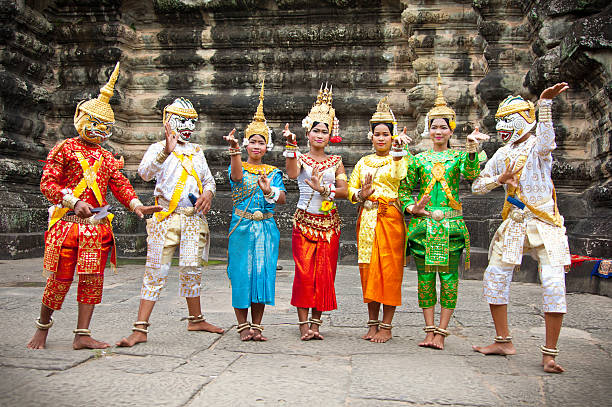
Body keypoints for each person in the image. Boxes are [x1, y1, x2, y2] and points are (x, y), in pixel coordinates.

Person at [27, 62, 161, 350]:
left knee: (91, 281)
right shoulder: (64, 148)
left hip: (95, 229)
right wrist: (73, 202)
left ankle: (82, 334)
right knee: (59, 280)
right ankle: (42, 327)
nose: (100, 130)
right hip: (66, 226)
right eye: (95, 124)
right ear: (80, 117)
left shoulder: (108, 158)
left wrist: (137, 206)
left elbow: (121, 185)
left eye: (105, 127)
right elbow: (48, 183)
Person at [471, 82, 571, 373]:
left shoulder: (537, 147)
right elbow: (477, 186)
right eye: (499, 121)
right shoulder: (502, 154)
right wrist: (498, 181)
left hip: (544, 223)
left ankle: (549, 353)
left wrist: (545, 105)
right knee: (494, 279)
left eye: (507, 120)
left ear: (525, 120)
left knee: (553, 285)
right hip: (515, 223)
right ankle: (503, 340)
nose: (502, 126)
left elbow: (548, 141)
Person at [117, 97, 223, 347]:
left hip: (192, 219)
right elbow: (144, 173)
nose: (187, 126)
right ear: (169, 122)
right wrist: (166, 151)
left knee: (191, 269)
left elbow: (209, 181)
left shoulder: (197, 151)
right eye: (182, 121)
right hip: (166, 218)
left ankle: (196, 319)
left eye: (192, 122)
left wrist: (208, 194)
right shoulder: (157, 148)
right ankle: (140, 328)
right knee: (156, 270)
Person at [398, 75, 488, 350]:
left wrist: (472, 148)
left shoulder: (459, 156)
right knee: (425, 279)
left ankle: (442, 331)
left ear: (451, 130)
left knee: (449, 279)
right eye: (434, 126)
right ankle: (428, 330)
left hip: (450, 226)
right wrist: (413, 207)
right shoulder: (417, 159)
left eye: (443, 127)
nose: (438, 131)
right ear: (428, 129)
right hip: (424, 226)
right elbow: (403, 188)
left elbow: (473, 175)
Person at [283, 84, 348, 340]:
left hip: (330, 222)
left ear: (331, 134)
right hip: (304, 221)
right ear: (308, 133)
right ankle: (303, 325)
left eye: (325, 131)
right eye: (316, 131)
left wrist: (326, 190)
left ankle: (317, 324)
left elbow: (344, 190)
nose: (320, 135)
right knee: (304, 273)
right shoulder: (299, 157)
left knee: (325, 274)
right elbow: (290, 174)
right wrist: (290, 147)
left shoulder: (336, 160)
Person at [224, 82, 286, 341]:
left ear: (267, 146)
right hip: (242, 227)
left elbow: (282, 199)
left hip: (266, 228)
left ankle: (257, 326)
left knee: (262, 274)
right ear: (246, 145)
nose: (257, 146)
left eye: (261, 142)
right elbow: (236, 176)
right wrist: (234, 151)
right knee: (240, 274)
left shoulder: (272, 172)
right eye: (252, 142)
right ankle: (242, 326)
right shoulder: (238, 164)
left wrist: (269, 190)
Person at [347, 97, 411, 343]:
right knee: (368, 270)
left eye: (386, 134)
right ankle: (372, 323)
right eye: (378, 134)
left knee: (389, 271)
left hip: (390, 219)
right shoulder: (363, 162)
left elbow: (398, 176)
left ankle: (387, 325)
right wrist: (359, 194)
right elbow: (352, 189)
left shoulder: (399, 157)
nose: (381, 138)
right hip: (366, 219)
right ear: (371, 136)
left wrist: (397, 155)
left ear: (392, 136)